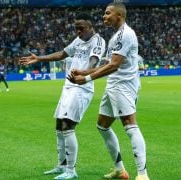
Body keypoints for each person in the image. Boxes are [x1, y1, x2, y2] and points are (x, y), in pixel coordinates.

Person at [67, 2, 149, 180]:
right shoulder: (114, 37)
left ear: (119, 15)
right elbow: (107, 64)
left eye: (107, 13)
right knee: (102, 126)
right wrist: (84, 71)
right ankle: (120, 170)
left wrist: (86, 79)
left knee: (130, 126)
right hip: (113, 85)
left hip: (124, 86)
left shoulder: (125, 34)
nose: (104, 16)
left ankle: (142, 174)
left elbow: (114, 65)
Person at [19, 12, 105, 180]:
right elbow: (62, 54)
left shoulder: (98, 41)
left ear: (90, 27)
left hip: (82, 87)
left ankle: (71, 170)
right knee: (59, 125)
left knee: (67, 126)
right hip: (68, 86)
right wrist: (39, 59)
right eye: (76, 29)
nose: (78, 32)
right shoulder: (78, 41)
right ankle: (61, 166)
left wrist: (83, 73)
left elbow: (94, 62)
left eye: (81, 29)